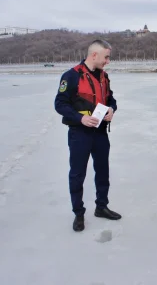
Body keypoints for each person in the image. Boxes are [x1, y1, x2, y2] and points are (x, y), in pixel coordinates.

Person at [54, 39, 122, 232]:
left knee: (103, 172)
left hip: (100, 133)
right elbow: (60, 104)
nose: (107, 61)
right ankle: (79, 214)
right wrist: (79, 118)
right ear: (94, 55)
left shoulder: (104, 77)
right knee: (77, 175)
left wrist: (111, 109)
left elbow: (111, 99)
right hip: (80, 134)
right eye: (106, 57)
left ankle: (101, 207)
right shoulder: (72, 76)